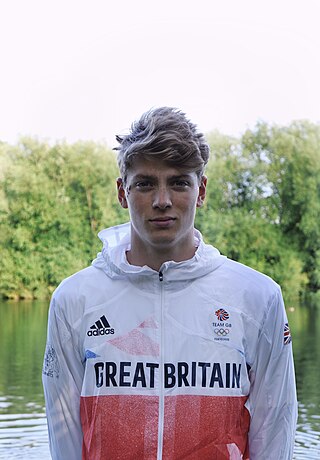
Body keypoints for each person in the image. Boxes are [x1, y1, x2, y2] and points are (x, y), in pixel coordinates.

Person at [42, 107, 297, 459]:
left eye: (178, 182)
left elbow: (276, 430)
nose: (162, 201)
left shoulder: (258, 297)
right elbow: (64, 434)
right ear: (122, 192)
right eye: (145, 183)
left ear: (201, 190)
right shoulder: (75, 299)